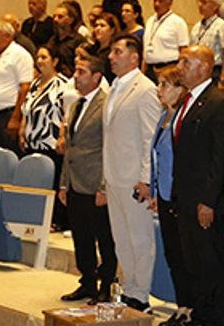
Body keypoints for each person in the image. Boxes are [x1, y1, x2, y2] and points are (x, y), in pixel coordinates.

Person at [170, 45, 224, 326]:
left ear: (205, 68)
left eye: (187, 62)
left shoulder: (218, 103)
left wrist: (209, 200)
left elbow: (219, 158)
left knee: (210, 263)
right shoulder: (187, 100)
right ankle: (199, 317)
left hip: (204, 201)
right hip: (185, 197)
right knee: (192, 261)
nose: (180, 67)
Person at [100, 34, 161, 310]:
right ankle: (129, 288)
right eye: (111, 52)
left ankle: (142, 294)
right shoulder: (114, 87)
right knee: (121, 237)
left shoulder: (145, 89)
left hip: (134, 178)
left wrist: (146, 179)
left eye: (117, 51)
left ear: (135, 58)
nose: (111, 57)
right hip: (114, 175)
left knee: (139, 238)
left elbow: (150, 138)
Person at [57, 53, 115, 302]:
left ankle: (106, 285)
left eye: (81, 72)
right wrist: (63, 183)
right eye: (76, 71)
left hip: (95, 183)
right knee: (81, 237)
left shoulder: (106, 105)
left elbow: (109, 148)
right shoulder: (75, 105)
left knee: (104, 237)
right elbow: (70, 147)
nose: (75, 77)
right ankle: (87, 281)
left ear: (97, 76)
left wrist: (104, 186)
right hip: (75, 182)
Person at [150, 65, 189, 324]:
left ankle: (191, 309)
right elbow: (156, 156)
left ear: (180, 89)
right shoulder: (164, 116)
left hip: (179, 195)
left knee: (185, 256)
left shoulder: (183, 119)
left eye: (165, 85)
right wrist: (154, 189)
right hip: (163, 194)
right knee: (173, 254)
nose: (159, 89)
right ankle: (182, 305)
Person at [19, 46, 71, 230]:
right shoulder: (35, 83)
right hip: (33, 140)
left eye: (44, 57)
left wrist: (62, 136)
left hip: (51, 141)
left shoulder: (64, 84)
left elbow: (67, 112)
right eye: (38, 57)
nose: (39, 61)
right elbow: (27, 109)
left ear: (54, 61)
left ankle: (56, 220)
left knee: (53, 182)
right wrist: (23, 129)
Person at [0, 18, 33, 152]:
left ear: (7, 36)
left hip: (8, 113)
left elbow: (25, 87)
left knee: (9, 154)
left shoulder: (20, 54)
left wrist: (16, 118)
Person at [190, 0, 224, 77]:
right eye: (199, 1)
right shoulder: (196, 26)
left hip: (214, 70)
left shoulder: (222, 26)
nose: (200, 5)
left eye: (204, 2)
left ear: (215, 6)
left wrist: (223, 77)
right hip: (197, 69)